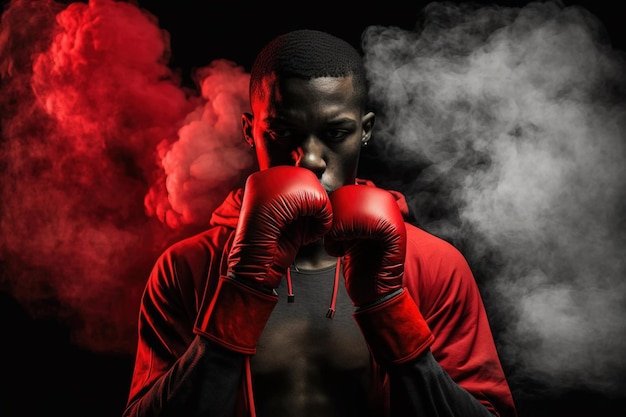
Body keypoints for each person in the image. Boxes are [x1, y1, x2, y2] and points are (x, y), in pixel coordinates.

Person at [122, 29, 517, 417]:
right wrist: (242, 286)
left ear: (364, 131)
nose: (310, 159)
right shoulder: (186, 268)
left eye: (335, 133)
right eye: (282, 132)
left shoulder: (435, 265)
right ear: (250, 131)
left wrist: (388, 308)